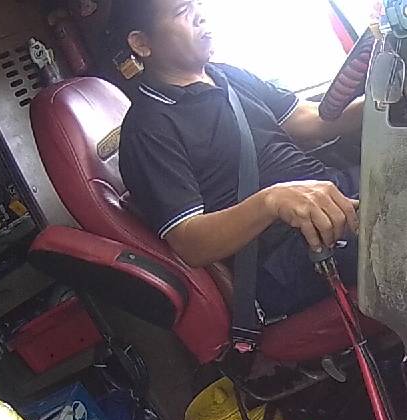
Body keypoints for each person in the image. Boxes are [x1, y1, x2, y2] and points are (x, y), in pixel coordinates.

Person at [111, 0, 366, 319]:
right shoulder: (148, 128)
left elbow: (309, 118)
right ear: (141, 43)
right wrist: (272, 201)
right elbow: (191, 243)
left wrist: (385, 103)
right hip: (287, 253)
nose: (199, 14)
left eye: (197, 3)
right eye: (182, 11)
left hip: (333, 197)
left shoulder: (227, 75)